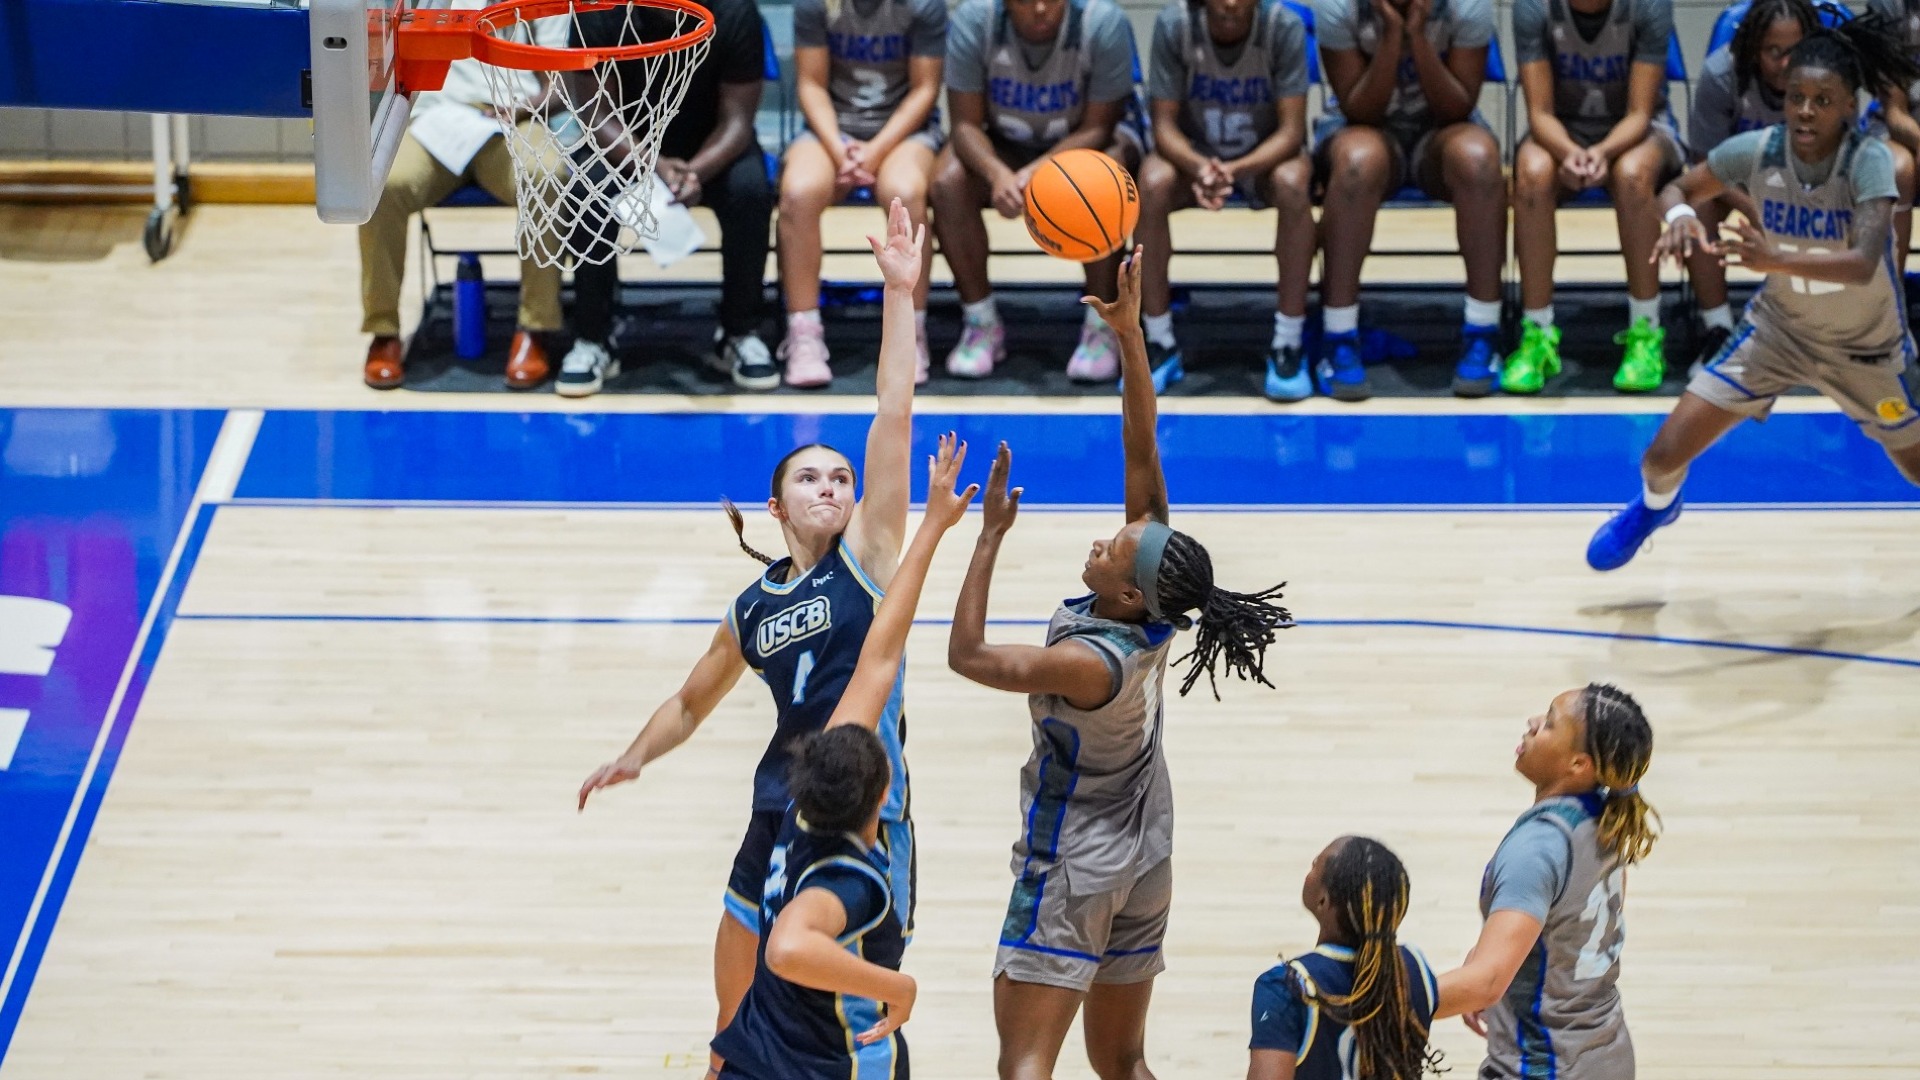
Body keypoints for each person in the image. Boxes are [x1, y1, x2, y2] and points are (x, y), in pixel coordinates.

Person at [576, 200, 927, 1060]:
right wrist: (634, 755)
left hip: (867, 807)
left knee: (837, 986)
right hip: (782, 795)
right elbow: (691, 703)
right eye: (812, 477)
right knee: (736, 994)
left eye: (841, 477)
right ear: (777, 506)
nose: (833, 487)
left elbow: (893, 410)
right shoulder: (751, 607)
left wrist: (899, 294)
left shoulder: (871, 557)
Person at [947, 248, 1293, 1080]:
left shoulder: (1086, 662)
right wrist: (1131, 338)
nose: (1105, 538)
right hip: (1145, 852)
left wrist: (986, 538)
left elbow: (967, 655)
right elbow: (1143, 455)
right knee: (1122, 1062)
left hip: (1074, 864)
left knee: (1025, 1065)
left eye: (1114, 548)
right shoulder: (1158, 604)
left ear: (1131, 594)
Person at [1587, 17, 1920, 571]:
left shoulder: (1869, 161)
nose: (1806, 111)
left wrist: (1773, 260)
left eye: (1822, 100)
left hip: (1867, 350)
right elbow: (1676, 185)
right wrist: (1681, 215)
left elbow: (1864, 264)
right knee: (1660, 457)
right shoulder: (1758, 150)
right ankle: (1655, 509)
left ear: (1847, 107)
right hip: (1778, 334)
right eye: (1796, 98)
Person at [710, 432, 981, 1080]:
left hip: (755, 1053)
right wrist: (899, 987)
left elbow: (877, 659)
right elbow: (790, 947)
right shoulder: (861, 882)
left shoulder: (785, 833)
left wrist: (936, 528)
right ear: (884, 798)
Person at [1434, 684, 1660, 1080]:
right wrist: (1492, 957)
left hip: (1546, 1067)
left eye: (1550, 723)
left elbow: (1486, 983)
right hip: (1607, 1056)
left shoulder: (1537, 847)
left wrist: (1381, 1003)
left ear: (1578, 764)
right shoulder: (1607, 821)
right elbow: (1570, 922)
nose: (1533, 724)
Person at [559, 0, 776, 396]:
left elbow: (738, 121)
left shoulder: (735, 11)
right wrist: (654, 164)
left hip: (713, 145)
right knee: (584, 189)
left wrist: (695, 172)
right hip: (623, 142)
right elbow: (595, 113)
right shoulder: (597, 9)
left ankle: (738, 333)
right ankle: (593, 339)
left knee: (750, 190)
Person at [358, 0, 566, 391]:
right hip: (436, 118)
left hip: (513, 117)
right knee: (381, 184)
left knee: (545, 175)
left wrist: (520, 108)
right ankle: (383, 332)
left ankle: (536, 328)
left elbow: (559, 84)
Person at [932, 0, 1144, 382]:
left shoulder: (1102, 22)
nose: (1042, 8)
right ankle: (981, 323)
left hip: (1086, 144)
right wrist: (997, 174)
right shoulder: (974, 20)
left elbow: (1099, 126)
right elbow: (964, 125)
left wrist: (1039, 172)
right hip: (1004, 144)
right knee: (947, 181)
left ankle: (1101, 325)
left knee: (1098, 182)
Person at [1311, 0, 1507, 401]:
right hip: (1364, 127)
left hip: (1442, 130)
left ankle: (1483, 333)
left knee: (1480, 159)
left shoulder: (1466, 7)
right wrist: (1390, 34)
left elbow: (1455, 107)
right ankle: (1339, 336)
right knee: (1356, 164)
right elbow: (1362, 109)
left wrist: (1416, 33)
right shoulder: (1338, 7)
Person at [1504, 0, 1685, 395]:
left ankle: (1646, 332)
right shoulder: (1533, 8)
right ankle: (1537, 334)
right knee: (1532, 174)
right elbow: (1540, 114)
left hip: (1641, 132)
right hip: (1562, 131)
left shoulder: (1648, 6)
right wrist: (1571, 153)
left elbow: (1639, 113)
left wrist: (1601, 153)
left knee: (1632, 176)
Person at [1137, 0, 1315, 401]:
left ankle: (1288, 342)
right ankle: (1158, 341)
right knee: (1150, 181)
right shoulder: (1175, 25)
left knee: (1293, 181)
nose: (1232, 3)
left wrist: (1234, 170)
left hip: (1265, 160)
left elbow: (1291, 133)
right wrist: (1200, 166)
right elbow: (1163, 127)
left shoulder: (1281, 26)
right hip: (1193, 160)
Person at [778, 0, 948, 389]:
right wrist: (841, 151)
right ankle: (804, 333)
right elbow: (811, 84)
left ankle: (911, 334)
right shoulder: (816, 5)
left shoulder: (923, 7)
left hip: (903, 133)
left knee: (904, 193)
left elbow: (924, 91)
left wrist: (873, 154)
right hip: (832, 132)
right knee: (798, 193)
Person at [1248, 837, 1442, 1080]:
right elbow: (1484, 985)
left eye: (1316, 864)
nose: (1311, 865)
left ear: (1323, 901)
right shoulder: (1414, 968)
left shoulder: (1287, 987)